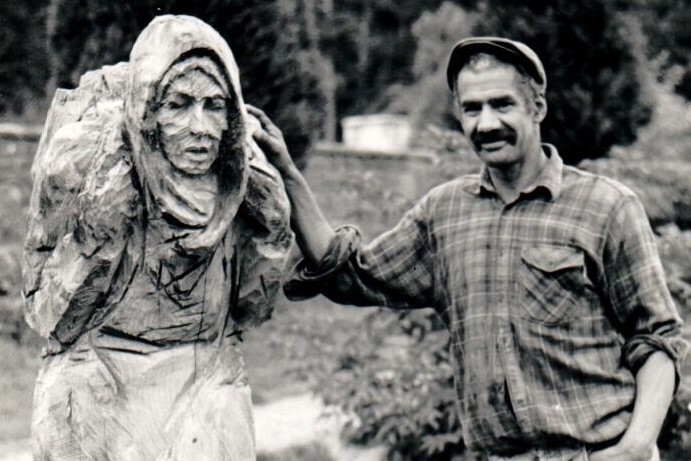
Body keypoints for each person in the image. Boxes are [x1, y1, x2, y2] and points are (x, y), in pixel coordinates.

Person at [250, 37, 688, 461]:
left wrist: (633, 448)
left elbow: (657, 338)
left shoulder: (607, 207)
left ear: (537, 107)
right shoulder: (444, 214)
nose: (486, 123)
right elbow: (351, 274)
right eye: (471, 108)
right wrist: (289, 175)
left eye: (502, 104)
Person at [23, 15, 291, 461]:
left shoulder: (241, 185)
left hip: (203, 370)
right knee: (67, 396)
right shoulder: (87, 166)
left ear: (232, 116)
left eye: (214, 106)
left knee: (223, 412)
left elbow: (250, 310)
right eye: (179, 104)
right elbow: (47, 316)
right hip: (101, 371)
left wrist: (272, 229)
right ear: (148, 110)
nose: (199, 127)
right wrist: (94, 239)